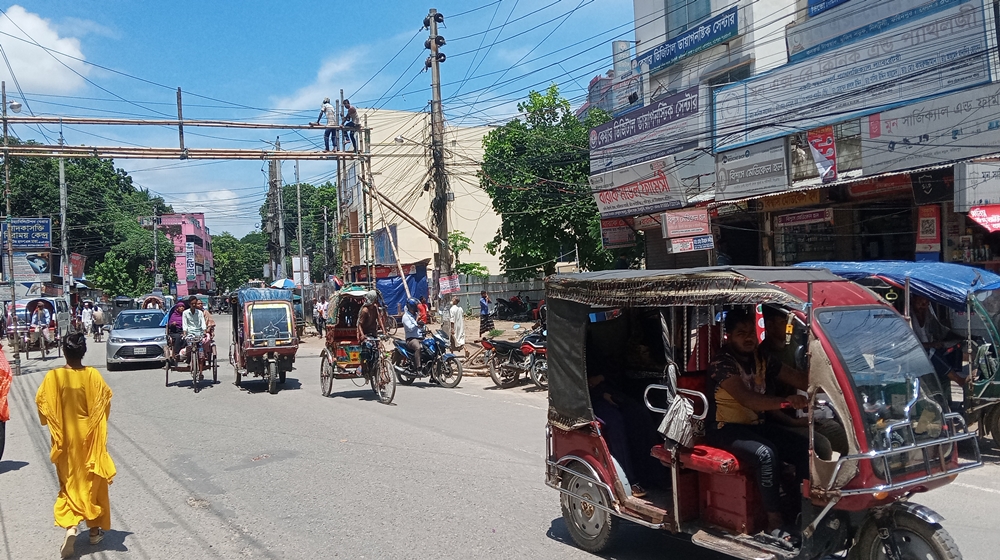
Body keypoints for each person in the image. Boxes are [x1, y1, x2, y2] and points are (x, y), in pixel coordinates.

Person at [705, 307, 810, 539]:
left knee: (803, 447)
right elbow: (748, 399)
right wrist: (786, 402)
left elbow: (797, 377)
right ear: (728, 336)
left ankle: (805, 511)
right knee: (765, 453)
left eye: (751, 331)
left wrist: (826, 369)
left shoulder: (762, 357)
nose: (749, 337)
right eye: (741, 333)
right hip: (725, 429)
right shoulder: (722, 362)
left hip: (755, 426)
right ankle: (774, 521)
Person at [35, 332, 115, 558]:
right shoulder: (92, 375)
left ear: (64, 351)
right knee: (93, 482)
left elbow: (43, 406)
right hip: (89, 438)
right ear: (83, 352)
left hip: (66, 440)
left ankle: (71, 525)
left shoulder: (54, 377)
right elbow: (104, 404)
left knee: (70, 481)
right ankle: (93, 532)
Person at [760, 306, 848, 461]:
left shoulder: (792, 347)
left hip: (798, 414)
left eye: (791, 322)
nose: (791, 326)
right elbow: (768, 408)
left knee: (843, 433)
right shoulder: (765, 357)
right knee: (822, 445)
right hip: (779, 422)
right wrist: (795, 422)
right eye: (784, 322)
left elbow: (803, 380)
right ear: (770, 325)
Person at [911, 295, 966, 389]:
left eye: (926, 303)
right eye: (921, 303)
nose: (924, 306)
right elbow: (910, 344)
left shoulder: (928, 313)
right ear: (914, 300)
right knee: (932, 352)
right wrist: (930, 345)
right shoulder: (908, 316)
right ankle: (958, 380)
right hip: (914, 353)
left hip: (927, 351)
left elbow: (940, 330)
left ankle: (951, 375)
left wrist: (961, 337)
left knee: (955, 348)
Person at [182, 297, 208, 375]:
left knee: (200, 352)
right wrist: (184, 333)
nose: (194, 305)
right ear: (189, 304)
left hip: (198, 333)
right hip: (190, 333)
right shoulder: (185, 313)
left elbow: (202, 322)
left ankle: (200, 372)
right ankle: (189, 360)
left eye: (195, 303)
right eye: (192, 303)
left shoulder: (199, 313)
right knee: (190, 348)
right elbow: (185, 324)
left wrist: (204, 331)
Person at [402, 297, 423, 371]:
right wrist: (417, 321)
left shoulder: (416, 315)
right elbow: (410, 328)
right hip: (411, 339)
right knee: (418, 347)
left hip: (420, 337)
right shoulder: (405, 317)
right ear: (412, 307)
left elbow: (419, 326)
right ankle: (418, 367)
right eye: (416, 306)